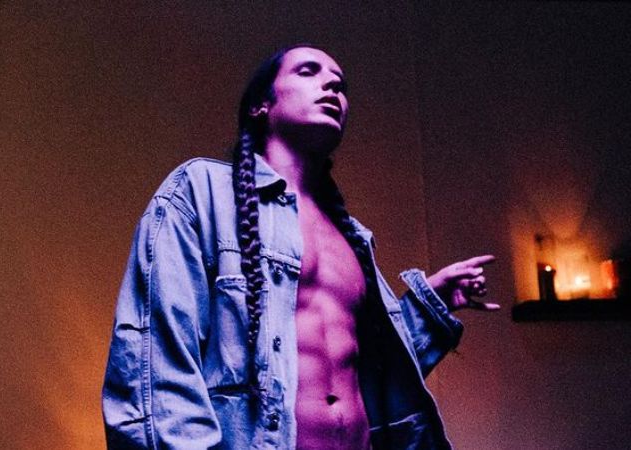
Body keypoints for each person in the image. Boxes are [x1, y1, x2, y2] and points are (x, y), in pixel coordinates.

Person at [102, 44, 499, 450]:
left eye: (340, 84)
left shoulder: (351, 237)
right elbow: (159, 367)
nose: (332, 86)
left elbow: (360, 373)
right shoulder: (203, 192)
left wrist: (429, 307)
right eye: (308, 71)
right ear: (260, 105)